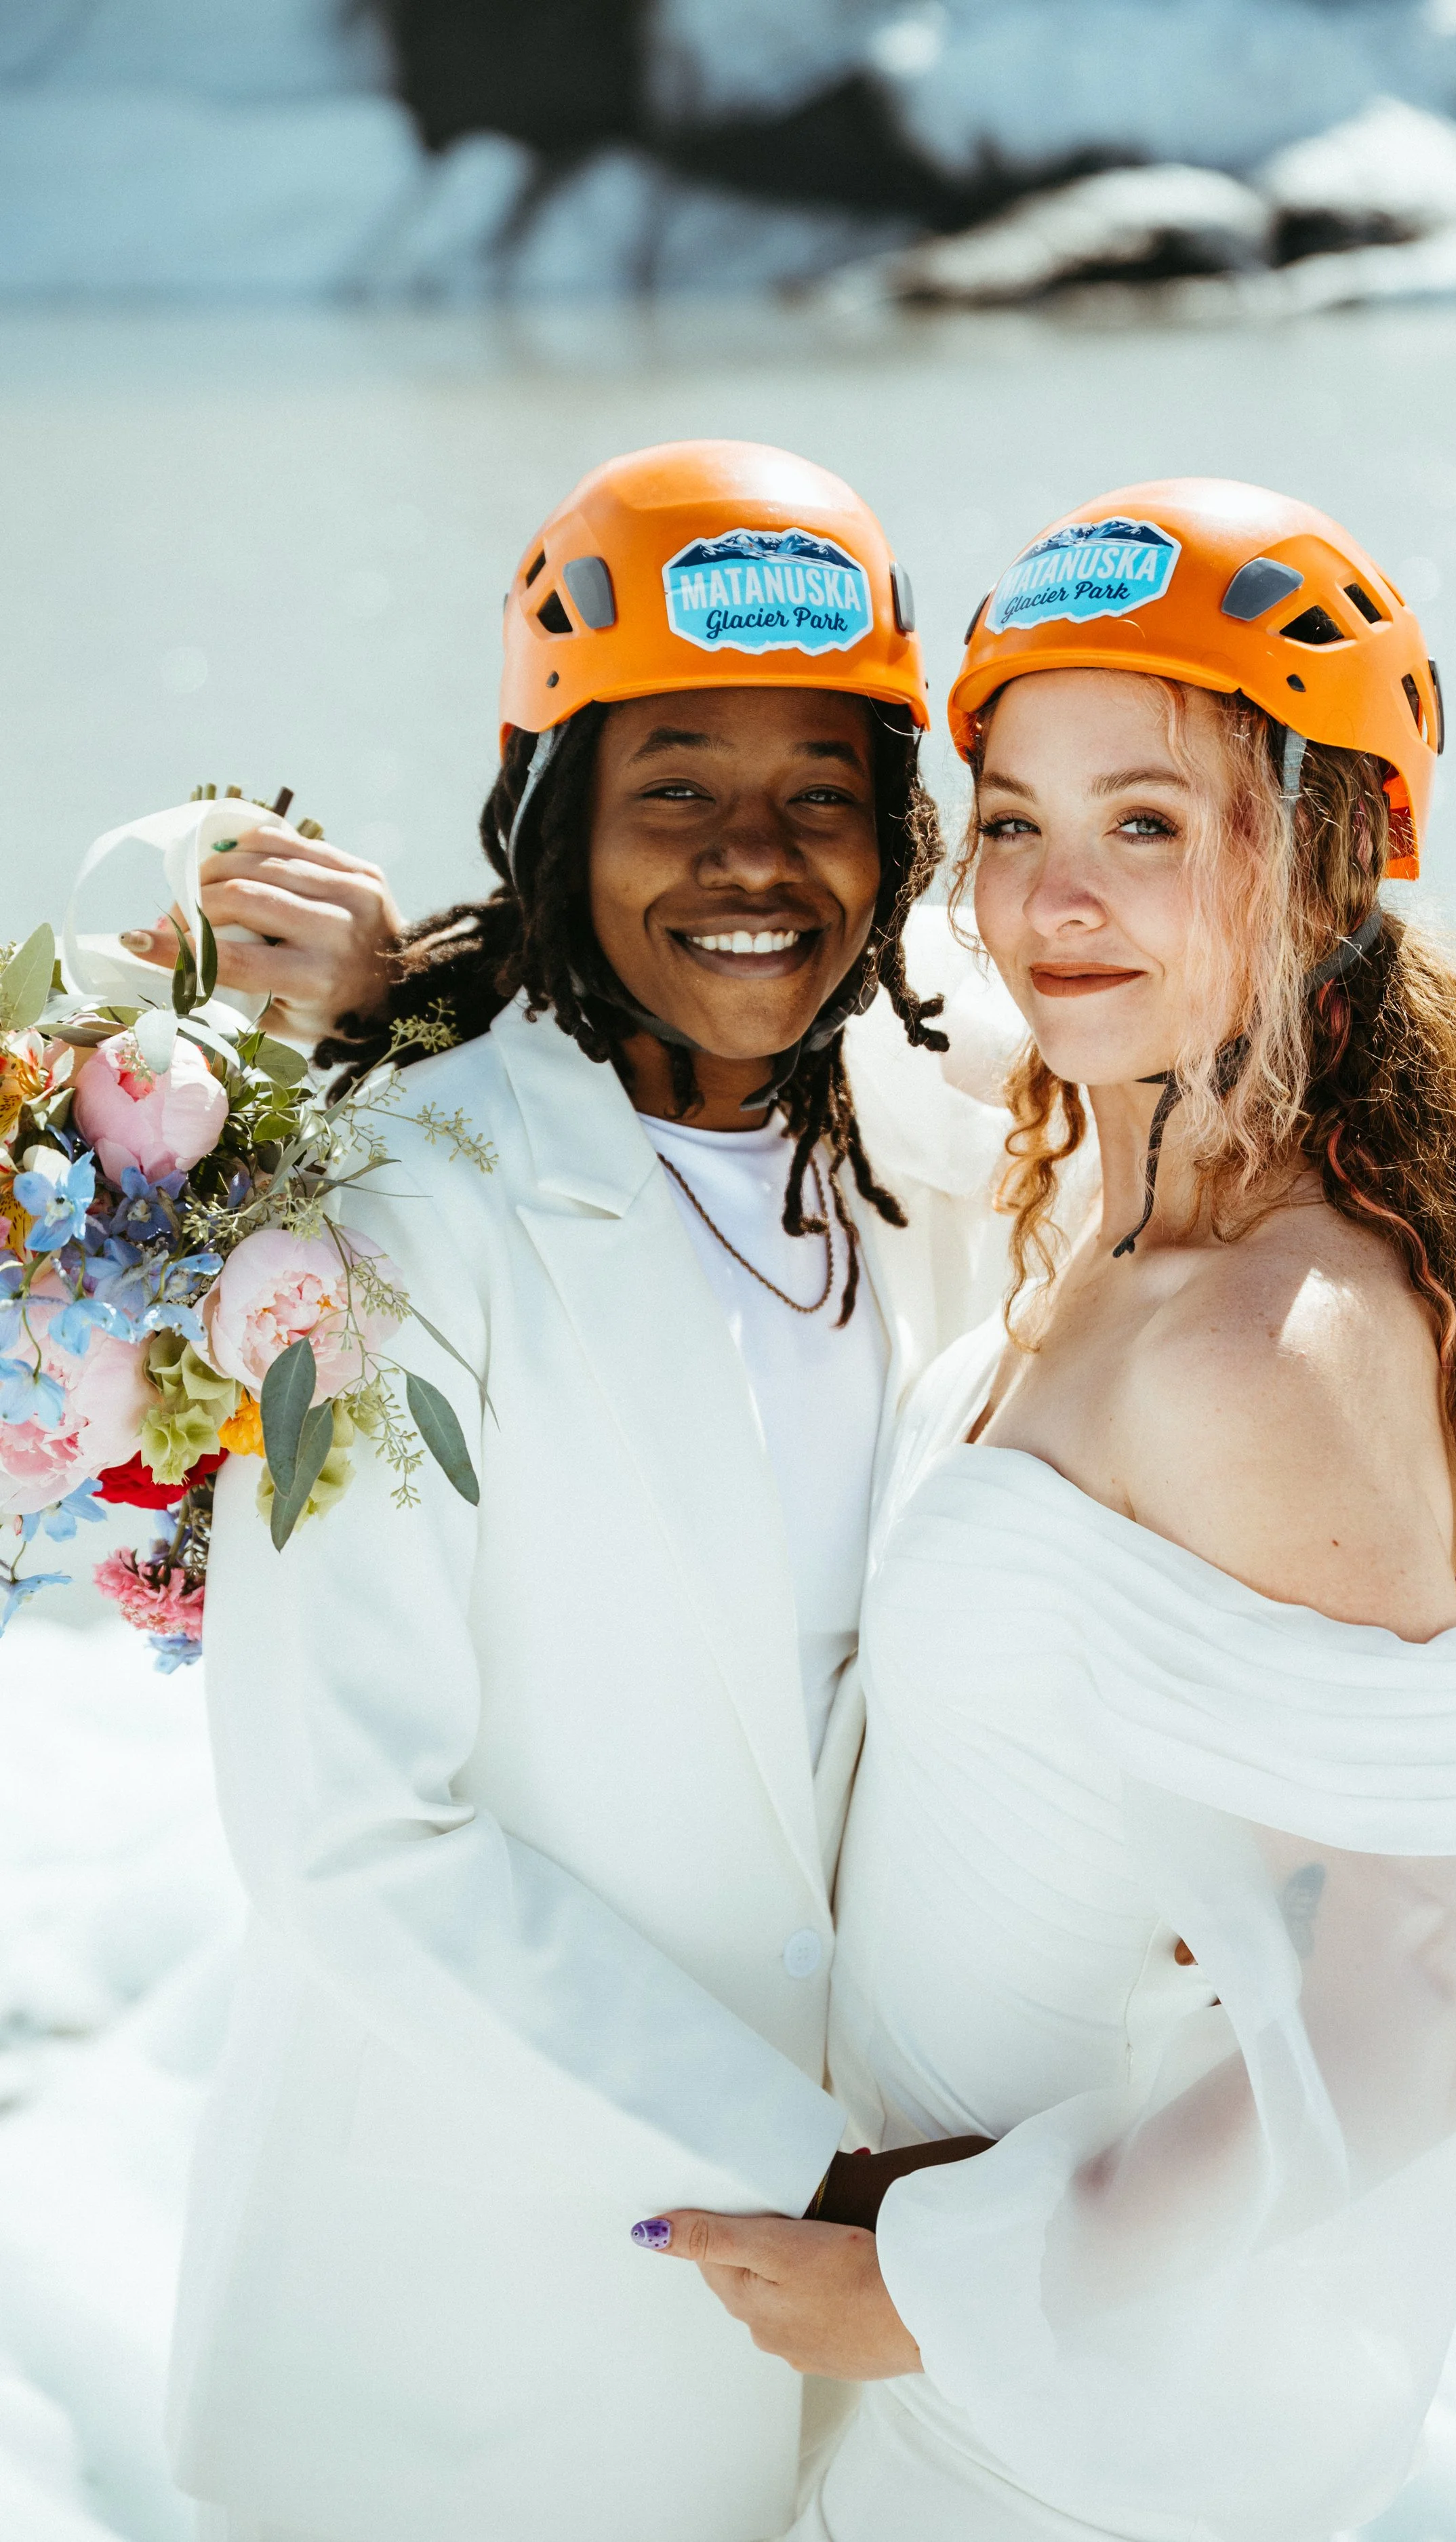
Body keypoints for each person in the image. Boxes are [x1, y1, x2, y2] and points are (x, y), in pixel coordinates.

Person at [632, 481, 1456, 2540]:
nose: (1050, 899)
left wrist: (930, 2295)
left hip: (1032, 2413)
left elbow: (1410, 2010)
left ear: (1325, 854)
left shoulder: (1261, 1349)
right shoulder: (1105, 1203)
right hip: (949, 2321)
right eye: (1012, 819)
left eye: (1145, 820)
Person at [167, 440, 1007, 2542]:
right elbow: (347, 1836)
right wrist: (814, 2180)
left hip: (843, 2378)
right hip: (449, 2359)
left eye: (822, 791)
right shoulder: (381, 1208)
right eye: (674, 793)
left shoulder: (943, 1154)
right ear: (554, 823)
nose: (756, 857)